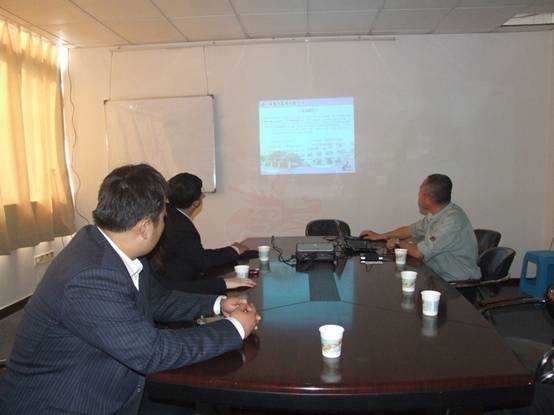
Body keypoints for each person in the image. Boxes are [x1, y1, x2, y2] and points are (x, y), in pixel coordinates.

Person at [0, 164, 260, 414]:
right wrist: (235, 328)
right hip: (67, 402)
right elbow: (151, 352)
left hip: (112, 381)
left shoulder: (116, 247)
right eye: (163, 218)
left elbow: (157, 300)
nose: (165, 224)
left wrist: (217, 304)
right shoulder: (91, 276)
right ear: (145, 228)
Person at [360, 174, 480, 282]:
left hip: (458, 285)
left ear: (427, 198)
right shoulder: (438, 213)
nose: (418, 196)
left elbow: (419, 253)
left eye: (420, 192)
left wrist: (397, 242)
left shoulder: (451, 221)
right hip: (437, 276)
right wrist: (380, 236)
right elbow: (409, 230)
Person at [152, 172, 251, 292]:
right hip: (180, 288)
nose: (203, 195)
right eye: (201, 193)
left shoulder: (167, 213)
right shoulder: (182, 228)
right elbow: (202, 261)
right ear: (196, 203)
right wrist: (234, 249)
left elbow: (195, 254)